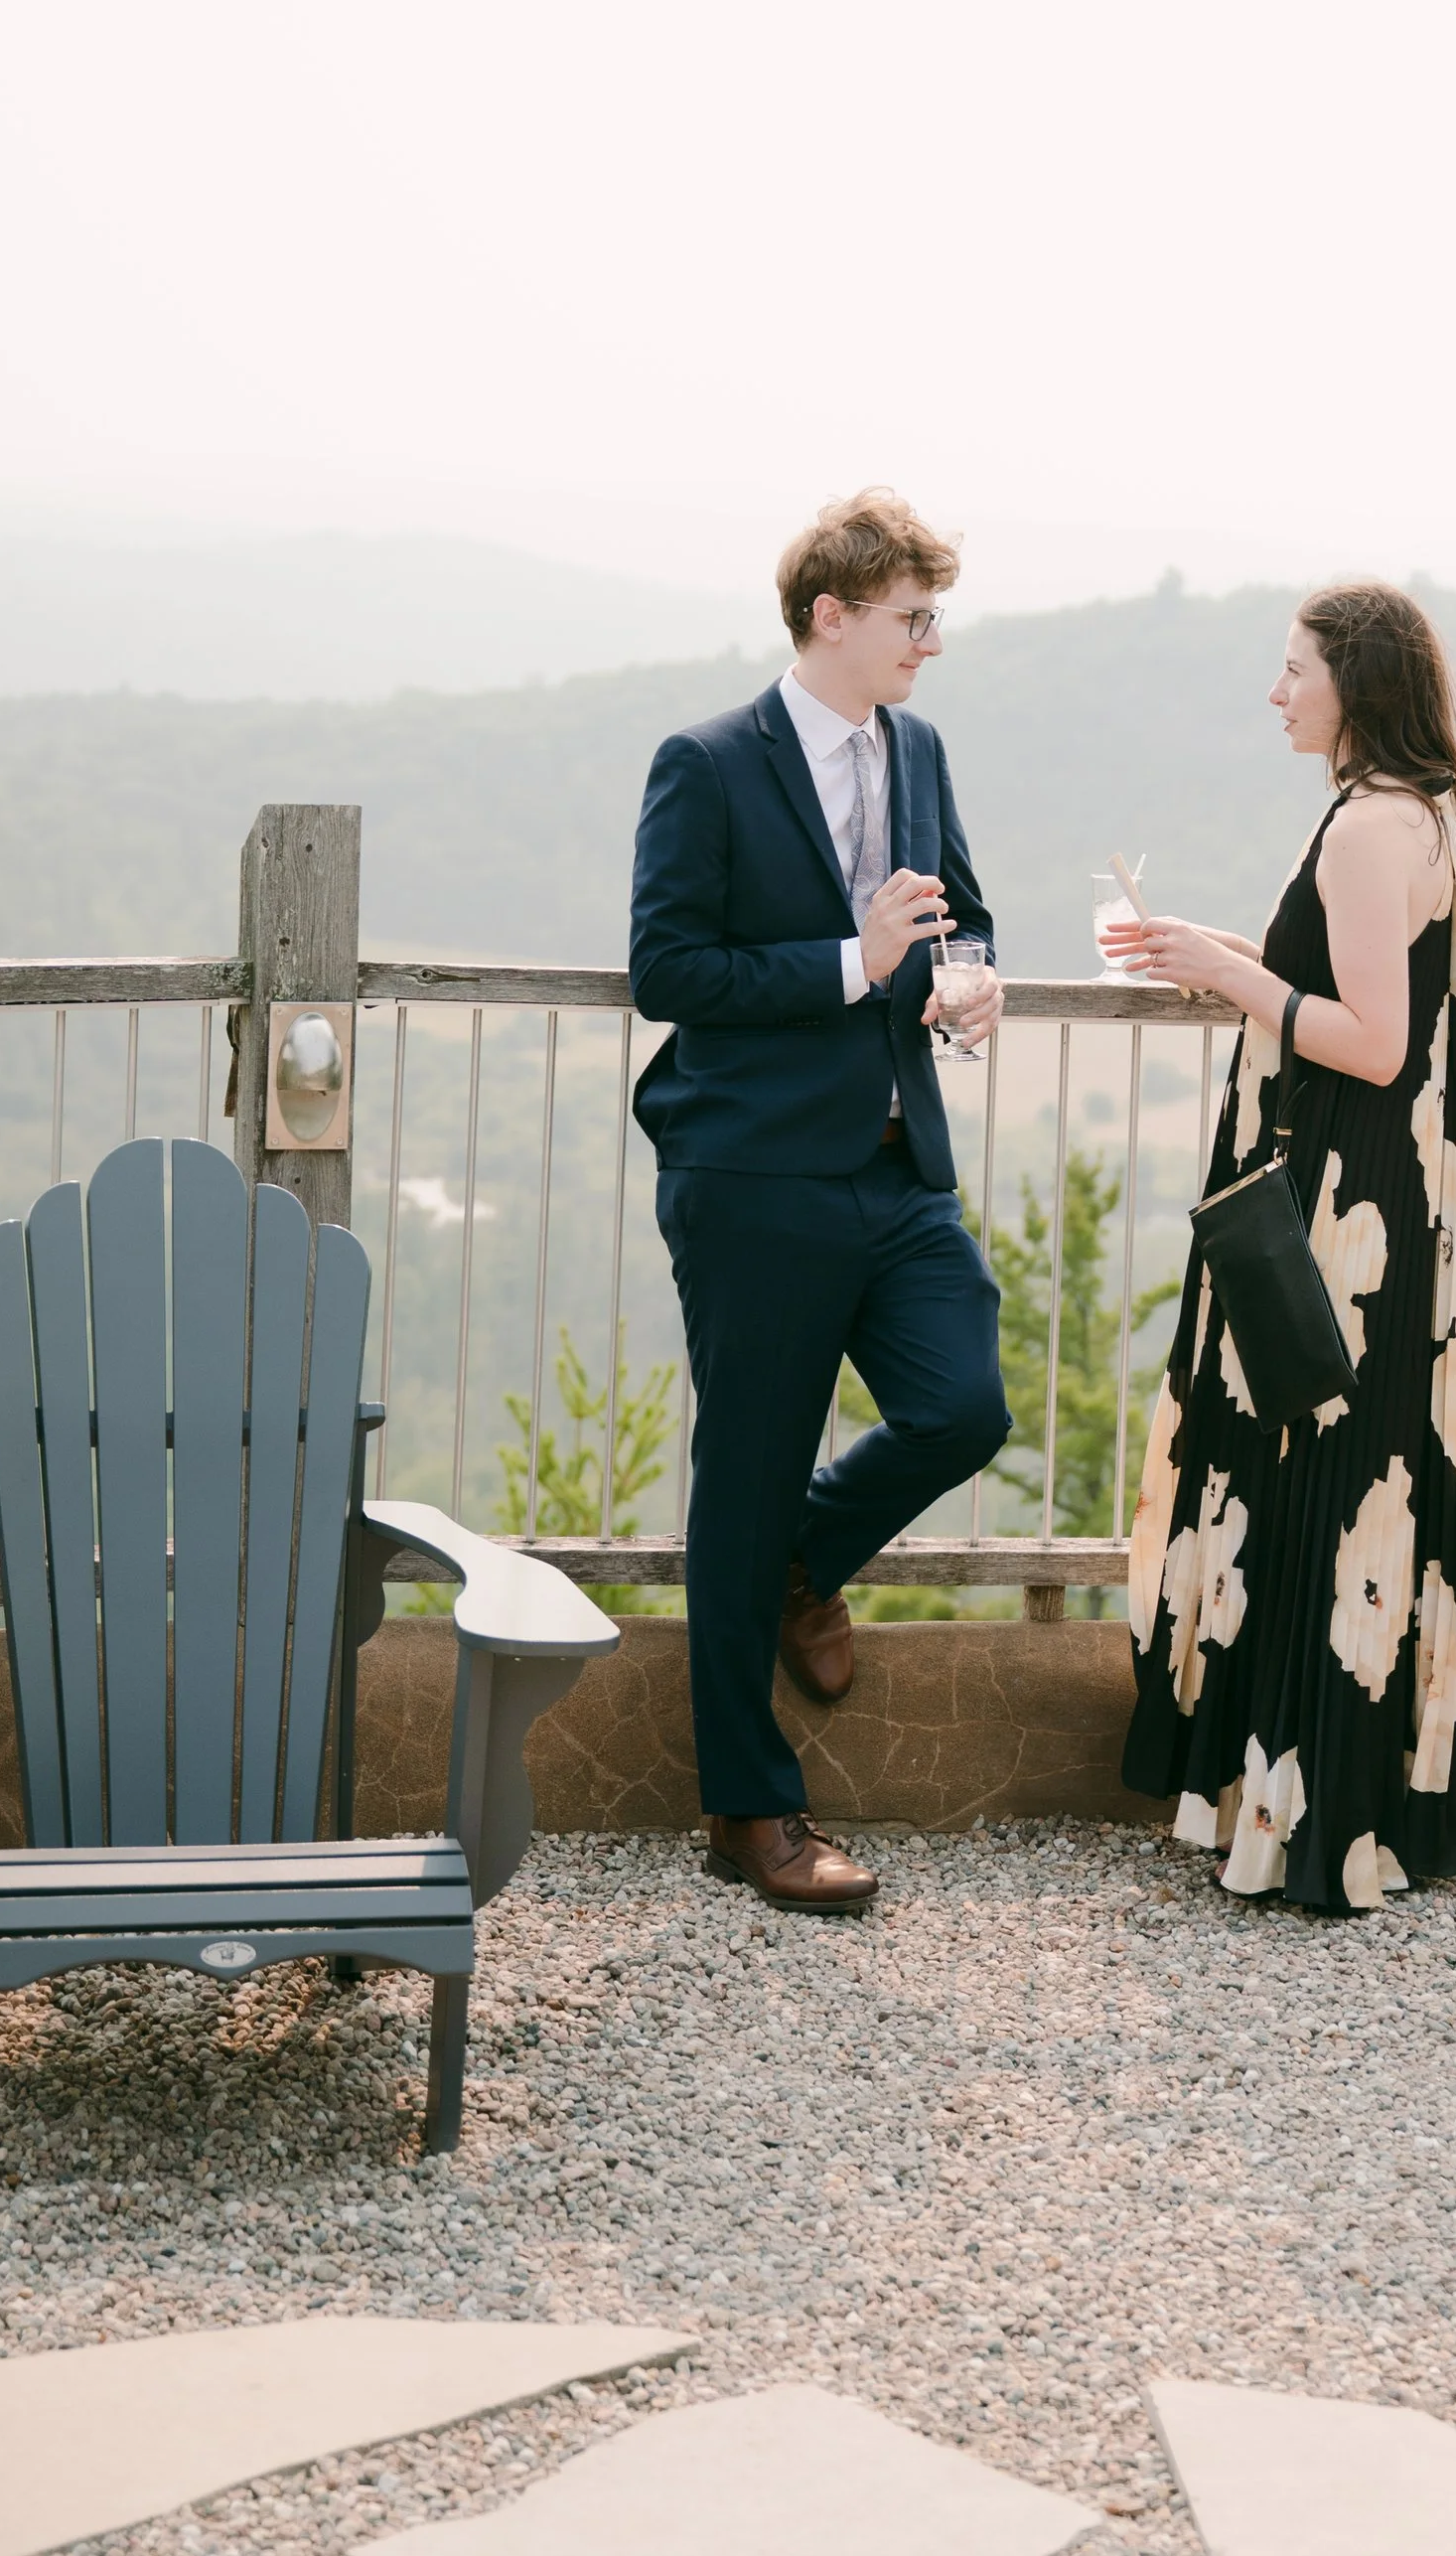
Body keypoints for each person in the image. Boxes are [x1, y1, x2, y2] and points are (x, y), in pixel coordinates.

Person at [628, 486, 1009, 1913]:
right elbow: (669, 970)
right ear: (831, 616)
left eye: (935, 618)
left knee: (965, 1406)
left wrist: (966, 975)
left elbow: (961, 908)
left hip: (900, 1168)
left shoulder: (921, 749)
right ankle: (749, 1810)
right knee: (743, 1478)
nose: (930, 643)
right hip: (752, 1176)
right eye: (913, 618)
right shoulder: (707, 762)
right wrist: (855, 963)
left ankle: (805, 1561)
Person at [1109, 581, 1456, 1909]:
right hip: (1391, 1205)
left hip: (1345, 1217)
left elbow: (1373, 1045)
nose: (1276, 691)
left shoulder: (1370, 826)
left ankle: (1306, 1819)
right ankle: (1356, 1804)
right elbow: (1343, 981)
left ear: (1356, 684)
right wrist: (1209, 949)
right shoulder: (1413, 812)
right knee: (1355, 1482)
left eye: (1295, 669)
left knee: (1316, 1478)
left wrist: (1231, 975)